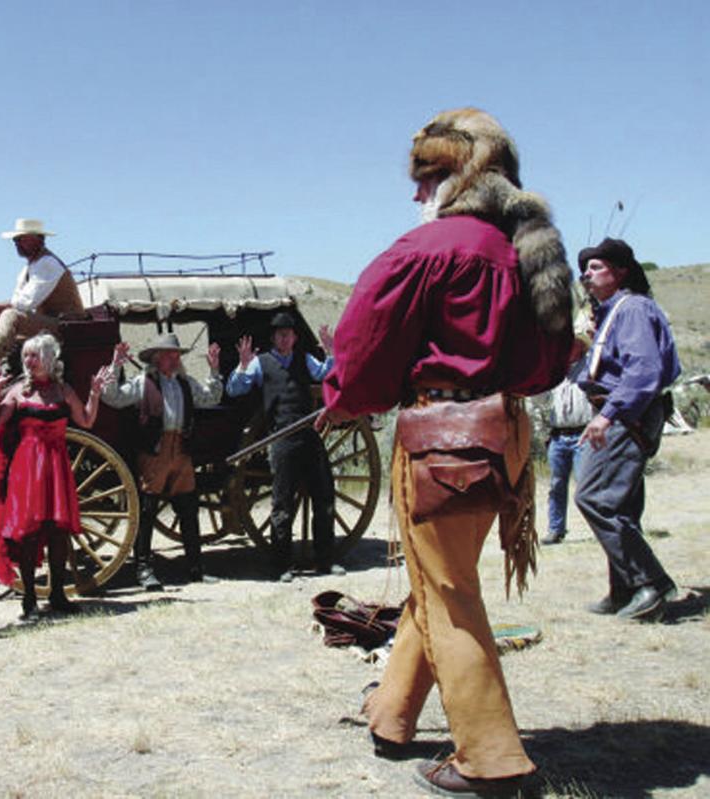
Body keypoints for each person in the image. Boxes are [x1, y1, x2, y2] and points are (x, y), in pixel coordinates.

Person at [318, 108, 572, 795]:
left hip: (443, 440)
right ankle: (392, 715)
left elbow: (364, 343)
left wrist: (343, 395)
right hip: (504, 435)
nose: (415, 193)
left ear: (457, 174)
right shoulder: (523, 249)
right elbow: (553, 353)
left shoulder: (430, 249)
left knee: (453, 593)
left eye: (426, 176)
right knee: (439, 581)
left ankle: (492, 758)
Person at [574, 237, 681, 620]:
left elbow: (643, 371)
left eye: (597, 267)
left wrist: (608, 415)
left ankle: (650, 583)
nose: (586, 273)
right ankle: (624, 588)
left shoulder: (632, 308)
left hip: (625, 414)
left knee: (595, 498)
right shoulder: (611, 312)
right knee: (621, 504)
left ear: (621, 271)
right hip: (621, 411)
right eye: (585, 269)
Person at [0, 333, 112, 619]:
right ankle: (29, 599)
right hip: (27, 469)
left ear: (49, 358)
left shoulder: (62, 390)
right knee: (28, 534)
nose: (29, 361)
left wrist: (94, 393)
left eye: (35, 355)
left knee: (58, 533)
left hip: (56, 466)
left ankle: (57, 594)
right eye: (26, 356)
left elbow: (87, 421)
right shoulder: (18, 391)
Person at [101, 333, 223, 589]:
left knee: (189, 509)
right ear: (157, 358)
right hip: (154, 453)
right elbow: (112, 397)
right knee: (146, 512)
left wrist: (214, 371)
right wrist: (116, 365)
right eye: (169, 354)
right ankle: (144, 571)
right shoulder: (142, 383)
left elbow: (210, 397)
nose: (175, 358)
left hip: (181, 450)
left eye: (177, 354)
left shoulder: (186, 382)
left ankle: (196, 569)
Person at [226, 313, 340, 580]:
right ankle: (281, 566)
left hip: (310, 436)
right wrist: (242, 366)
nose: (284, 337)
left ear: (295, 337)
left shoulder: (304, 359)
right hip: (281, 440)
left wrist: (331, 352)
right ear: (273, 338)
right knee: (282, 504)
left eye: (288, 333)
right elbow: (234, 390)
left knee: (324, 498)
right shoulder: (259, 363)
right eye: (279, 334)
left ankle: (325, 561)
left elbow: (326, 374)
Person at [0, 218, 86, 364]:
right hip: (51, 324)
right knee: (0, 319)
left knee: (10, 316)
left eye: (21, 239)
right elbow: (16, 302)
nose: (17, 243)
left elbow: (22, 305)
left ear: (38, 239)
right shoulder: (28, 269)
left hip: (67, 328)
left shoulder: (47, 264)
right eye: (15, 240)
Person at [541, 332, 594, 545]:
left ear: (581, 347)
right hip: (559, 435)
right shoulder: (555, 372)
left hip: (584, 433)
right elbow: (540, 399)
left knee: (586, 484)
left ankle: (601, 526)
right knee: (556, 485)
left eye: (572, 344)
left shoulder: (591, 368)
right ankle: (555, 529)